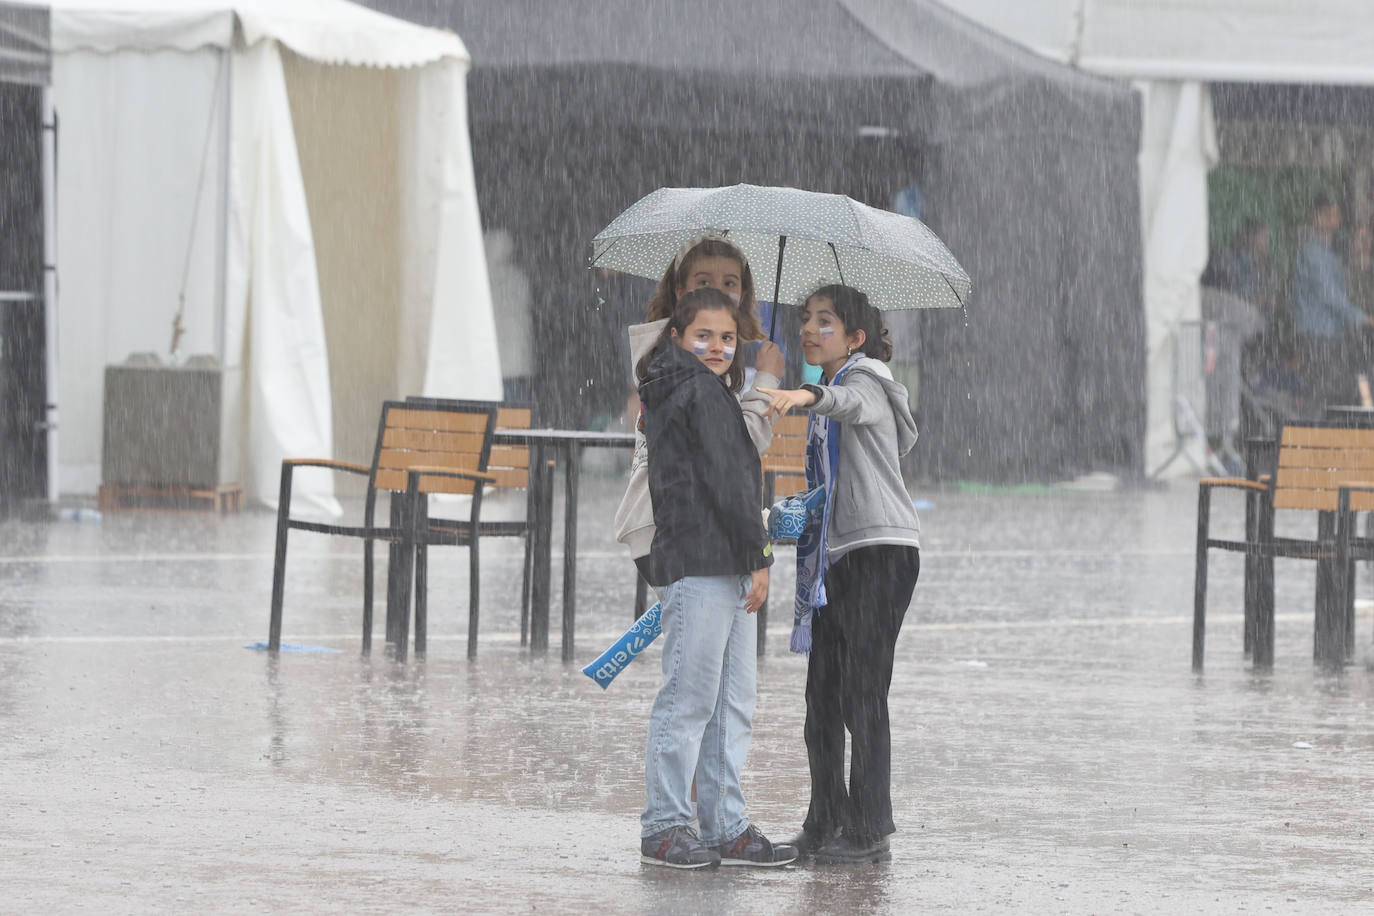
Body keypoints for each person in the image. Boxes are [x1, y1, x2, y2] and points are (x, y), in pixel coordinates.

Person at [756, 284, 922, 866]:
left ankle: (869, 828)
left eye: (824, 322)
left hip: (881, 552)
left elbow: (850, 404)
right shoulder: (829, 393)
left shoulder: (867, 379)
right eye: (805, 320)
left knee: (862, 694)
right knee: (821, 696)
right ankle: (823, 820)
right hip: (836, 557)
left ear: (854, 338)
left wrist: (804, 393)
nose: (809, 330)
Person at [635, 287, 795, 869]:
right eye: (703, 335)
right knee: (689, 700)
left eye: (728, 338)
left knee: (731, 702)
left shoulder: (707, 391)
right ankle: (665, 826)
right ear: (677, 336)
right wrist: (759, 556)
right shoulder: (692, 391)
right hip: (701, 563)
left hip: (722, 562)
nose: (717, 347)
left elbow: (731, 476)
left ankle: (725, 824)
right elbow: (730, 481)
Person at [614, 234, 783, 568]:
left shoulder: (696, 358)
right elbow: (737, 445)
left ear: (743, 293)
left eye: (730, 282)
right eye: (703, 281)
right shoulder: (683, 364)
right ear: (680, 291)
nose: (718, 290)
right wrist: (767, 380)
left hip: (686, 527)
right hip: (678, 530)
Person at [1292, 193, 1374, 409]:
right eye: (1326, 213)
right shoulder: (1312, 252)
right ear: (1315, 217)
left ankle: (1361, 417)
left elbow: (1342, 293)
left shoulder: (1330, 254)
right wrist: (1363, 317)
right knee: (1323, 390)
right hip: (1320, 333)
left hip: (1334, 333)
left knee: (1339, 387)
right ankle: (1312, 436)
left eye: (1335, 213)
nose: (1331, 218)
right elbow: (1330, 295)